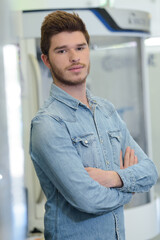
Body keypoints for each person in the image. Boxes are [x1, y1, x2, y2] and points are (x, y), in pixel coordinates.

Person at [29, 10, 158, 240]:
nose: (74, 57)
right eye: (62, 50)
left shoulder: (106, 110)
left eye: (80, 48)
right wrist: (129, 188)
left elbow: (150, 172)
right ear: (46, 60)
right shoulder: (47, 124)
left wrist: (112, 179)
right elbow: (88, 199)